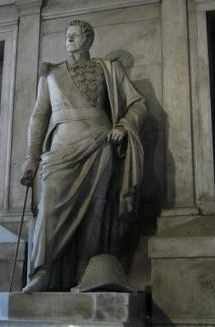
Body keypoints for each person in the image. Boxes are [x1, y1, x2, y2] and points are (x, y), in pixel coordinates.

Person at [21, 20, 146, 293]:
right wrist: (31, 156)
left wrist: (123, 127)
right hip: (61, 149)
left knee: (95, 212)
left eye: (75, 36)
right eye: (67, 36)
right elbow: (39, 116)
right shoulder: (51, 74)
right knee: (49, 207)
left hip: (100, 144)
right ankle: (42, 271)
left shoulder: (109, 68)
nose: (69, 40)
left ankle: (85, 274)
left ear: (88, 40)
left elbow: (137, 103)